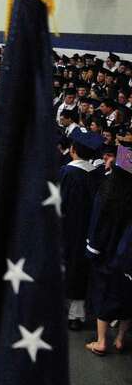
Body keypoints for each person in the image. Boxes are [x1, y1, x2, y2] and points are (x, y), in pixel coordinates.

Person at [83, 146, 132, 356]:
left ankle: (102, 341)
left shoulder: (107, 191)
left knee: (103, 293)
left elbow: (97, 223)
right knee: (127, 296)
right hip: (128, 255)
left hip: (106, 251)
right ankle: (120, 339)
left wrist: (91, 249)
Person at [59, 130, 103, 330]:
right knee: (80, 270)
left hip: (66, 229)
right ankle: (76, 315)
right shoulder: (96, 174)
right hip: (87, 232)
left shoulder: (67, 173)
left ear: (73, 150)